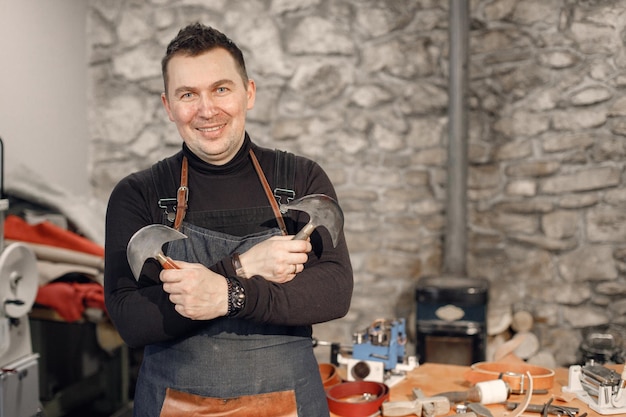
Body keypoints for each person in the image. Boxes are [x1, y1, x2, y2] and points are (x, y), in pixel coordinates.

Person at [103, 22, 353, 417]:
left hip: (289, 402)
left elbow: (335, 291)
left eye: (221, 89)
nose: (207, 110)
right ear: (168, 106)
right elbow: (131, 321)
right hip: (173, 405)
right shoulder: (140, 194)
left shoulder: (299, 179)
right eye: (188, 94)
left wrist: (231, 296)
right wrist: (242, 267)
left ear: (248, 93)